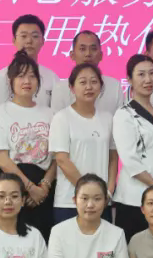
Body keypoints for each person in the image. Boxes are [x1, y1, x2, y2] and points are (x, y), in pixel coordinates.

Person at [0, 51, 57, 242]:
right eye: (21, 76)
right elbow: (2, 158)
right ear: (11, 81)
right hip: (10, 186)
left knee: (41, 243)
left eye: (32, 76)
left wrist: (44, 186)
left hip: (44, 187)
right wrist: (29, 187)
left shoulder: (50, 114)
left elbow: (58, 157)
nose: (27, 81)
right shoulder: (0, 113)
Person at [114, 54, 153, 242]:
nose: (148, 79)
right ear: (129, 79)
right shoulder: (124, 114)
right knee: (133, 251)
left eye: (152, 73)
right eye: (141, 74)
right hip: (134, 198)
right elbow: (130, 160)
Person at [50, 62, 118, 224]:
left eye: (94, 82)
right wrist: (88, 192)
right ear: (72, 88)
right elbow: (62, 160)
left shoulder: (108, 118)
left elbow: (113, 157)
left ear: (101, 86)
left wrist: (108, 191)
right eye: (82, 82)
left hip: (101, 201)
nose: (89, 87)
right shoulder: (62, 118)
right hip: (69, 201)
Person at [0, 14, 59, 109]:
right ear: (14, 40)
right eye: (23, 36)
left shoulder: (52, 78)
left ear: (43, 41)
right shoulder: (1, 77)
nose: (29, 41)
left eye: (35, 36)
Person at [50, 30, 124, 114]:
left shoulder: (114, 86)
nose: (88, 54)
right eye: (82, 49)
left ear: (101, 55)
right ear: (72, 55)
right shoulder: (60, 88)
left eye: (93, 49)